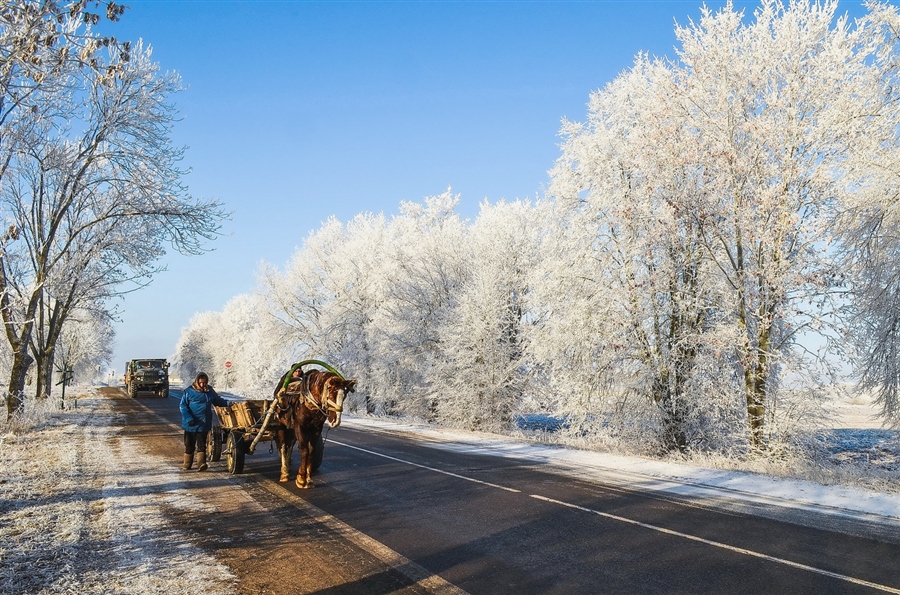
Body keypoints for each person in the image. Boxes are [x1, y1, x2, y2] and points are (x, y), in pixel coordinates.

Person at [179, 372, 229, 471]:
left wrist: (228, 403)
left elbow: (218, 401)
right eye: (201, 383)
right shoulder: (189, 392)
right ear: (197, 382)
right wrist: (189, 418)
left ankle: (201, 464)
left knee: (202, 445)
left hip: (203, 424)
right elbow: (183, 406)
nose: (202, 385)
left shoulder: (209, 391)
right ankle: (187, 464)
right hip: (191, 424)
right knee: (189, 445)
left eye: (205, 383)